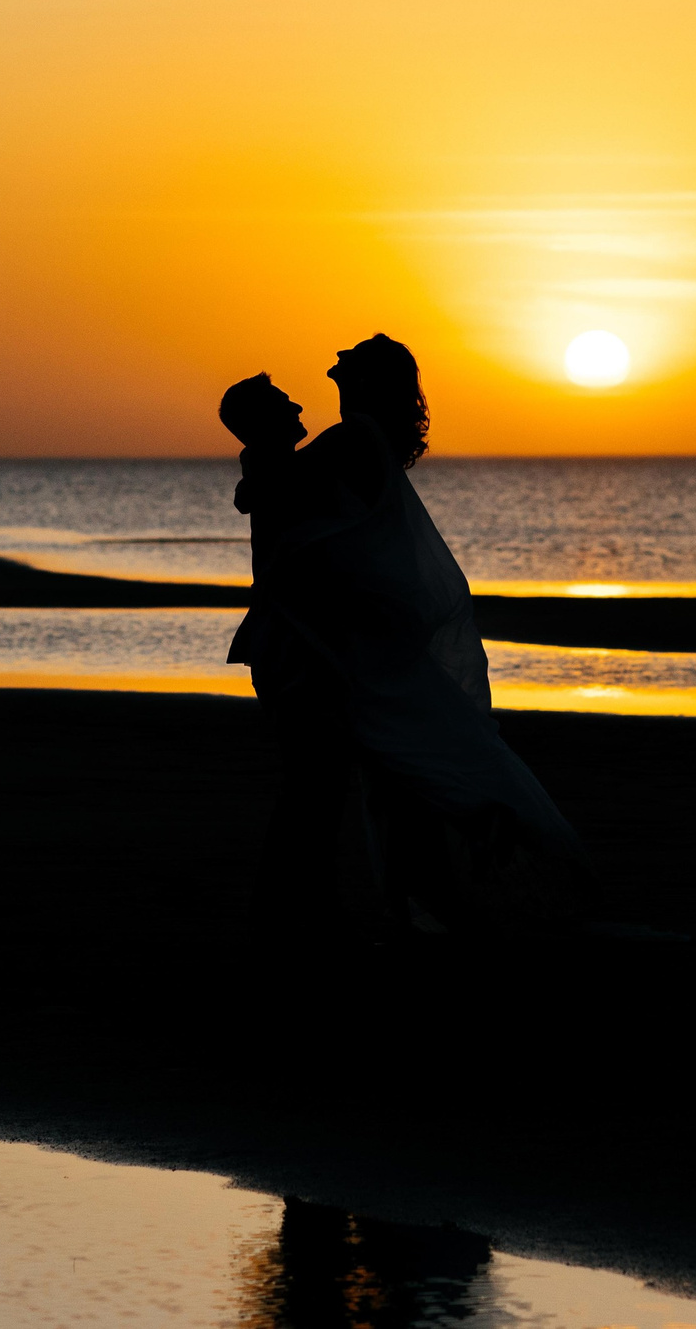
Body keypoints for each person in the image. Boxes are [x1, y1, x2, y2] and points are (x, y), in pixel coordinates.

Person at [222, 336, 588, 937]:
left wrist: (256, 465)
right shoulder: (355, 443)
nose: (331, 364)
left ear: (365, 382)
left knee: (325, 782)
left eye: (348, 363)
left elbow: (268, 496)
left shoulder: (352, 440)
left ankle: (296, 910)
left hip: (321, 650)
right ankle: (303, 908)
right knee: (330, 780)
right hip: (315, 646)